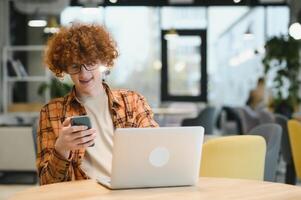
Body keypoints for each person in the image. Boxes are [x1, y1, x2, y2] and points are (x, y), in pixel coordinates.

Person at [37, 23, 158, 185]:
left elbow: (155, 149)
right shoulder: (51, 112)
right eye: (75, 66)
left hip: (130, 189)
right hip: (84, 194)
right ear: (65, 69)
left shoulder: (133, 102)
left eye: (90, 63)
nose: (84, 73)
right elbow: (47, 183)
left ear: (103, 61)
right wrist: (61, 149)